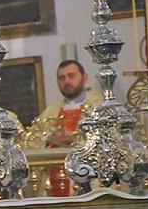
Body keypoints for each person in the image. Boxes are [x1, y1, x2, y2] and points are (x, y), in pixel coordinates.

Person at [27, 58, 102, 197]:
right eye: (61, 78)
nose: (66, 81)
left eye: (71, 76)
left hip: (89, 178)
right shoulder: (52, 109)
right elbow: (32, 140)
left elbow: (105, 141)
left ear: (84, 78)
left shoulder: (98, 106)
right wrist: (49, 138)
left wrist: (73, 138)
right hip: (55, 177)